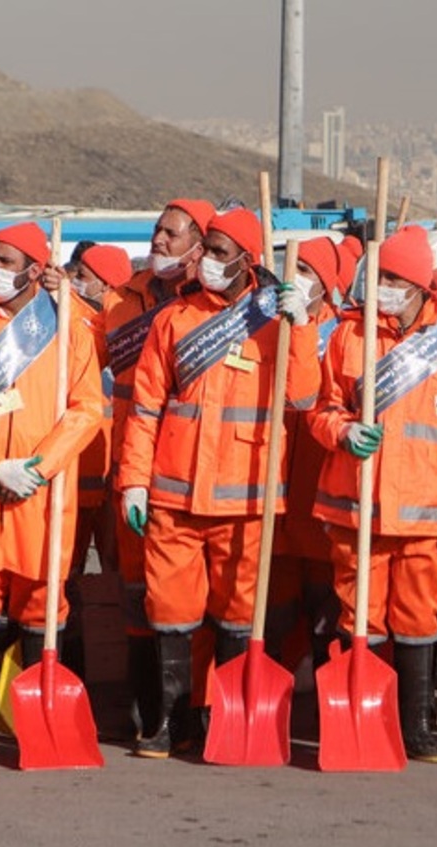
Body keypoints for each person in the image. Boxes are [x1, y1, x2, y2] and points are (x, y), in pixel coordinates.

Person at [118, 208, 320, 758]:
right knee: (171, 612)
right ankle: (169, 721)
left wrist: (303, 328)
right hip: (174, 493)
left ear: (247, 263)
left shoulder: (275, 321)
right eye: (206, 248)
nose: (207, 260)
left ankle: (223, 717)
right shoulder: (174, 319)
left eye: (220, 252)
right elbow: (145, 408)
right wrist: (133, 481)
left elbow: (303, 397)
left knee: (236, 616)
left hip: (247, 496)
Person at [309, 225, 437, 764]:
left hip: (423, 513)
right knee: (357, 617)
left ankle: (416, 725)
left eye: (392, 279)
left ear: (417, 287)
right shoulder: (350, 336)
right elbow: (322, 410)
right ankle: (361, 717)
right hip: (357, 508)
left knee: (417, 619)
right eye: (378, 277)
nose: (382, 288)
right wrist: (342, 432)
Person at [0, 222, 103, 757]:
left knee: (41, 600)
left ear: (35, 270)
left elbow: (87, 410)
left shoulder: (65, 329)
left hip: (41, 488)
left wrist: (39, 466)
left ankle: (38, 721)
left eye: (7, 261)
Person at [105, 198, 215, 740]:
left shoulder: (208, 311)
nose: (159, 241)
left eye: (171, 234)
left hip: (181, 473)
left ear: (199, 245)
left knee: (187, 599)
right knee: (135, 593)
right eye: (156, 231)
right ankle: (148, 705)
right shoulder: (123, 301)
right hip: (129, 467)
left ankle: (195, 710)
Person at [268, 237, 344, 671]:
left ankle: (321, 683)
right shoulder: (267, 322)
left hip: (318, 489)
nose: (293, 279)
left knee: (322, 605)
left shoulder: (341, 333)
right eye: (290, 269)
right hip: (274, 484)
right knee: (274, 604)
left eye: (306, 273)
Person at [61, 243, 133, 675]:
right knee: (65, 581)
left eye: (83, 275)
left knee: (116, 582)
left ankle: (112, 673)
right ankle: (77, 673)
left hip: (108, 477)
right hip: (75, 475)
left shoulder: (122, 326)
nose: (75, 281)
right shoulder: (67, 321)